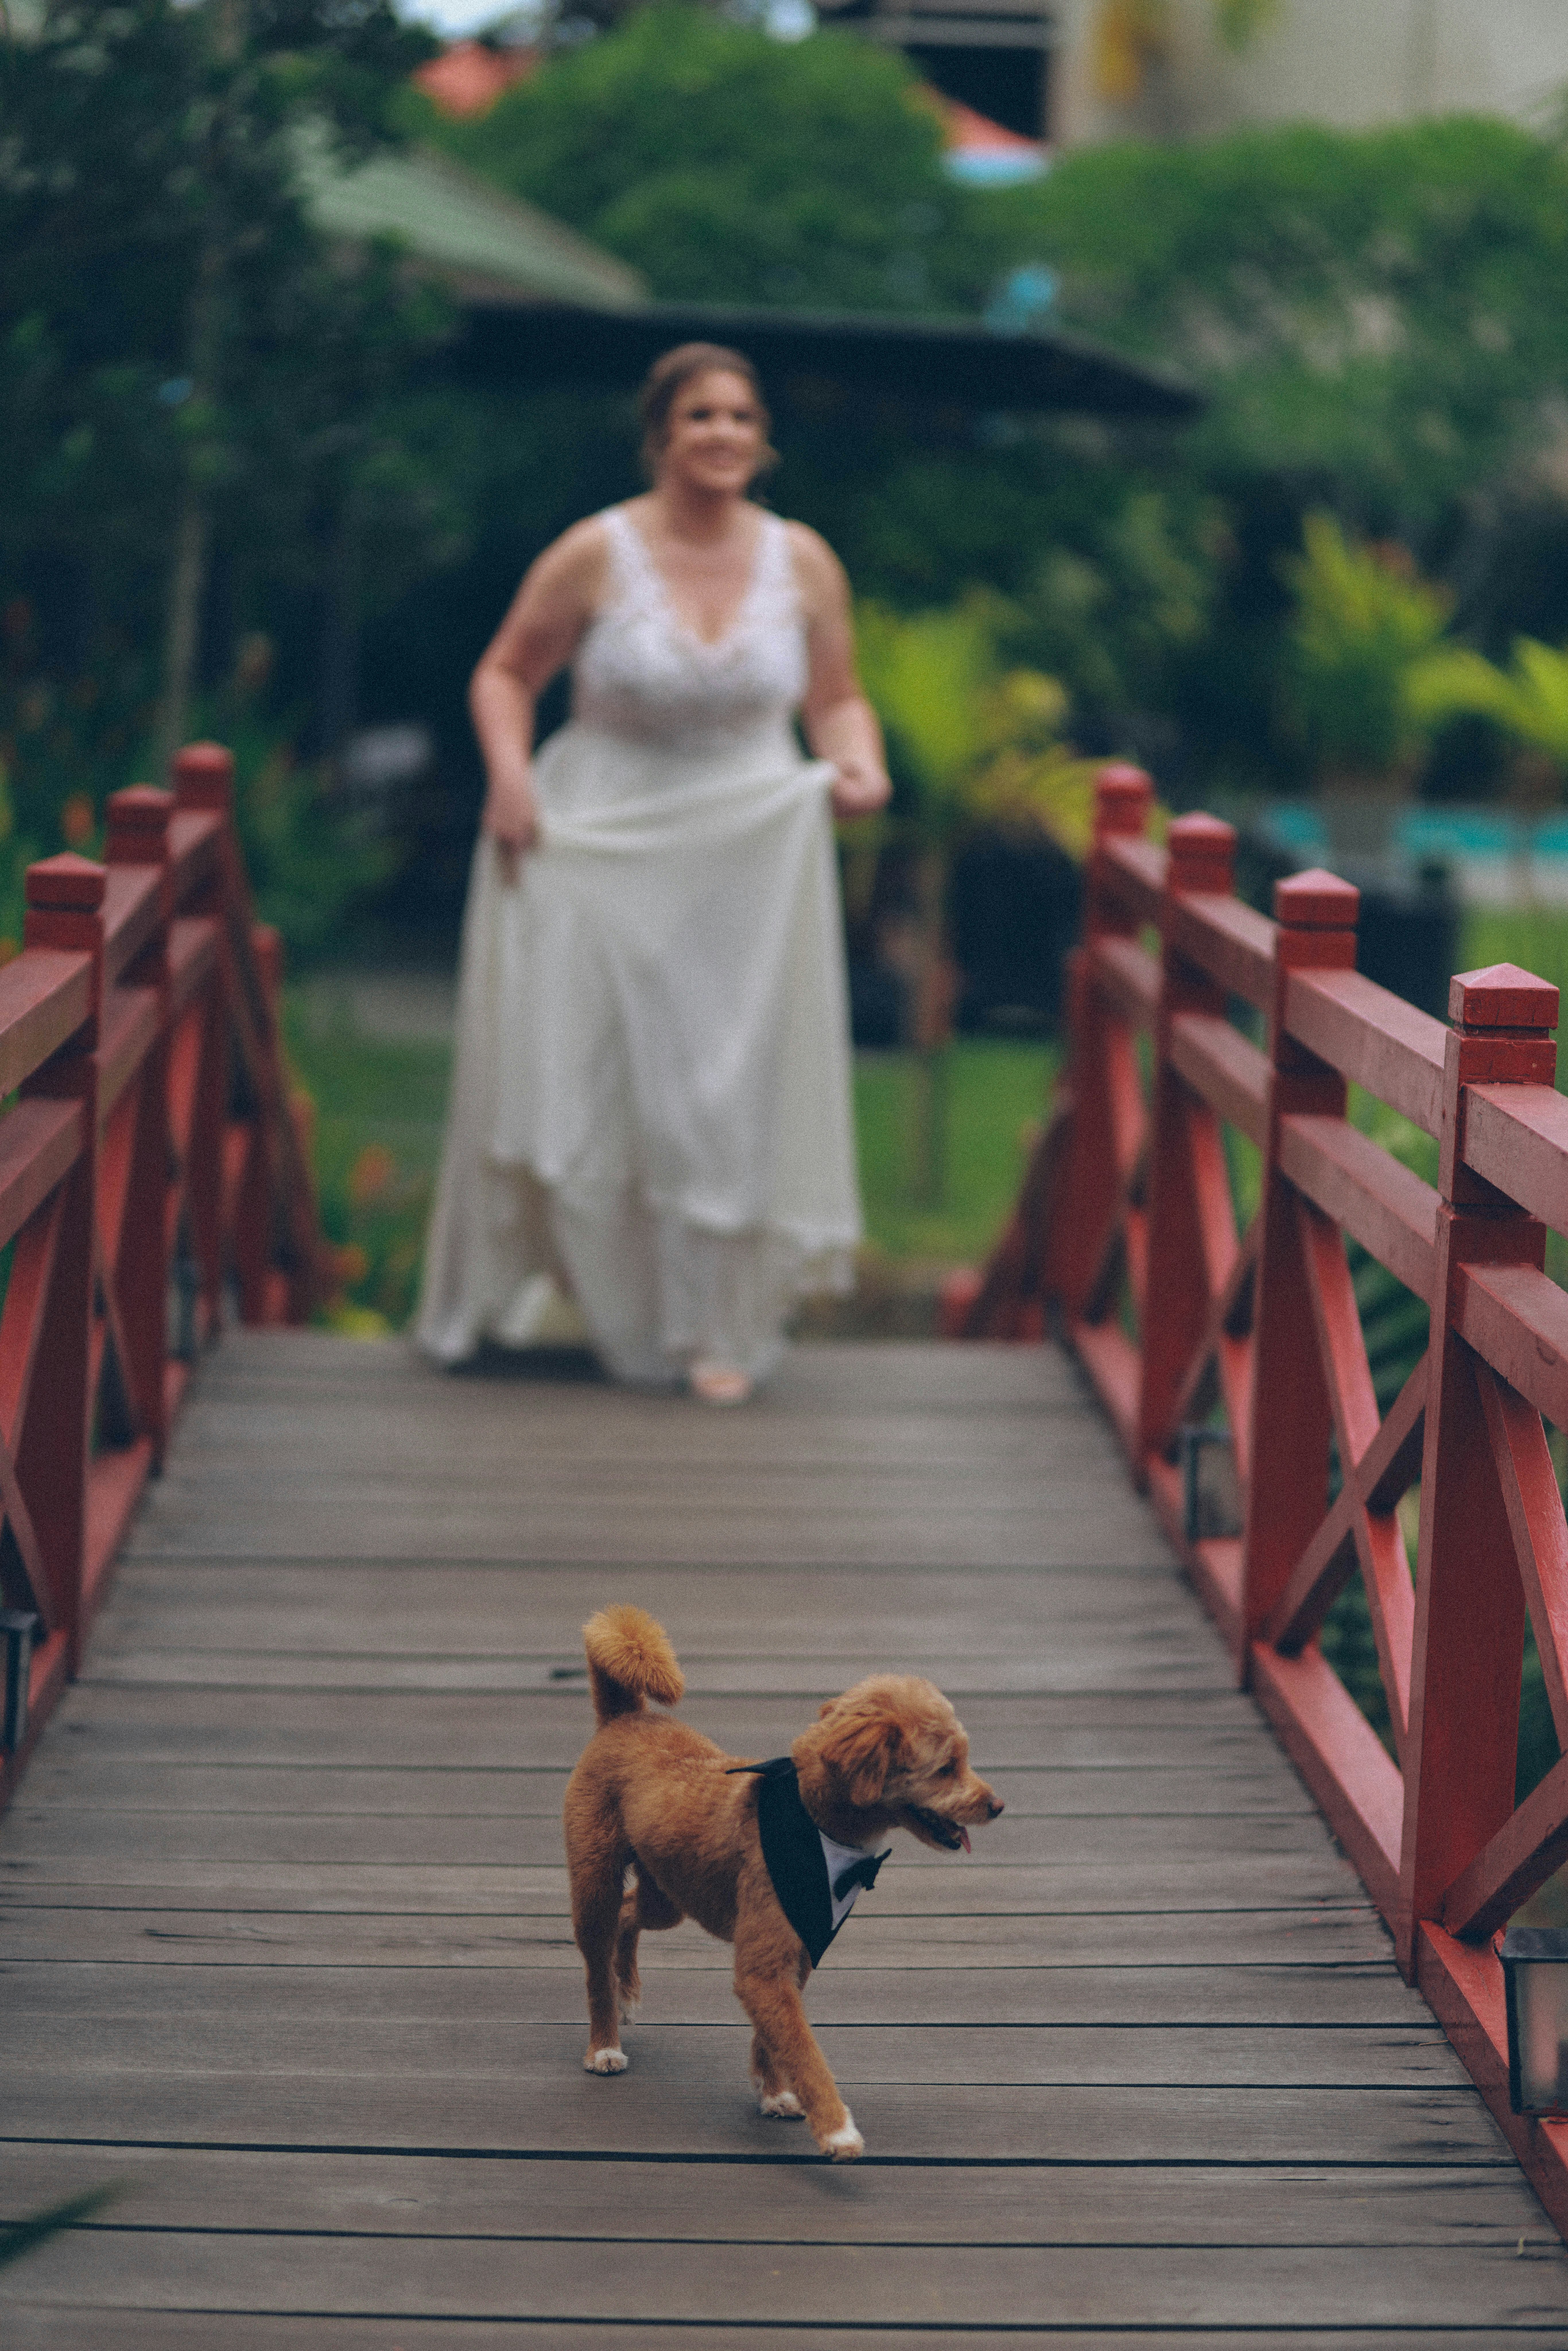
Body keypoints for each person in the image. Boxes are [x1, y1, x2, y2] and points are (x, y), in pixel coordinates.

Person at [416, 343, 891, 1403]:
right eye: (698, 417)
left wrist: (859, 759)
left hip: (745, 851)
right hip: (598, 839)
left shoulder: (803, 561)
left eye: (738, 417)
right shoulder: (596, 552)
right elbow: (505, 671)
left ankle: (712, 1325)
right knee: (591, 1075)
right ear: (661, 436)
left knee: (719, 1089)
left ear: (761, 441)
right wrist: (508, 778)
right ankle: (599, 1297)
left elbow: (836, 695)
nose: (720, 435)